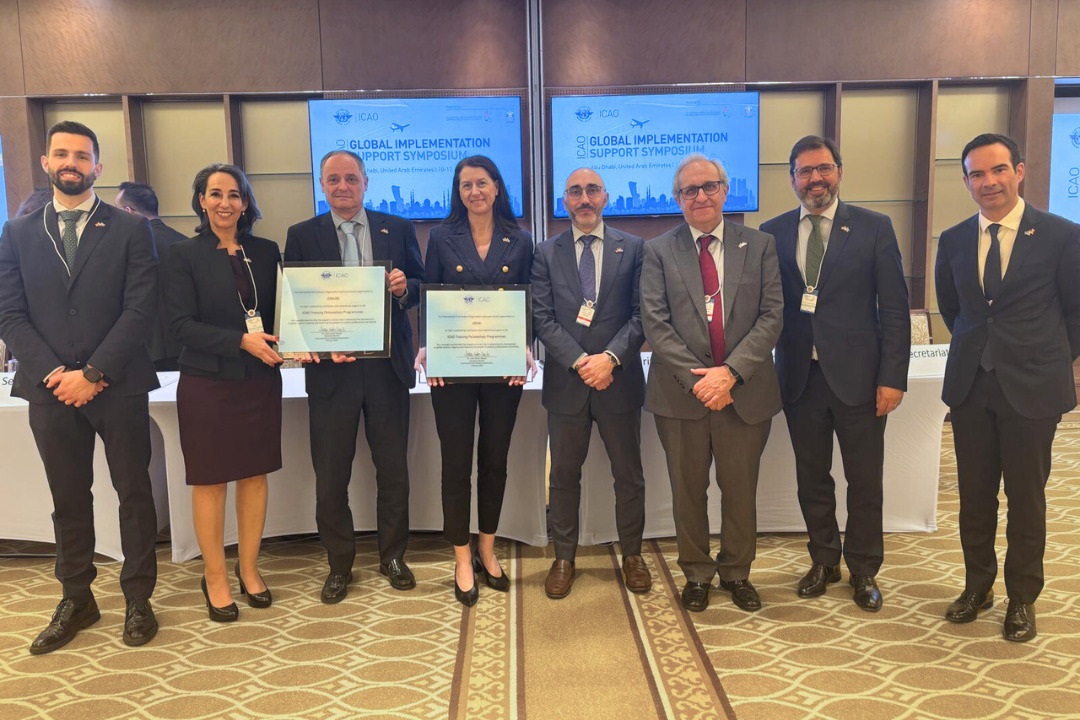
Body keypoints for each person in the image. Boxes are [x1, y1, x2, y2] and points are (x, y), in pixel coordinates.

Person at [0, 121, 160, 652]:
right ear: (46, 162)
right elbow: (10, 313)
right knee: (68, 497)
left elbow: (140, 309)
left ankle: (138, 597)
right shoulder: (18, 232)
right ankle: (77, 597)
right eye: (62, 154)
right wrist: (54, 373)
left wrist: (93, 373)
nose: (72, 162)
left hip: (118, 383)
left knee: (134, 492)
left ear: (98, 166)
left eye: (82, 155)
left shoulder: (130, 229)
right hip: (49, 389)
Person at [936, 133, 1080, 642]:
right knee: (974, 498)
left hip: (1033, 388)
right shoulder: (954, 239)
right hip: (972, 387)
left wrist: (1046, 357)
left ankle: (1022, 598)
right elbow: (954, 308)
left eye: (998, 170)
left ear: (1019, 171)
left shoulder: (1062, 235)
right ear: (966, 182)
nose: (988, 182)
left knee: (1026, 498)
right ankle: (978, 587)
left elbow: (1075, 312)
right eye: (977, 174)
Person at [760, 136, 910, 612]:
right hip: (800, 378)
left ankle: (864, 568)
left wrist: (893, 376)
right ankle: (824, 559)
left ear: (839, 172)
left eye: (823, 168)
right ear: (792, 179)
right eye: (804, 171)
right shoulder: (772, 233)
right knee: (812, 477)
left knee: (864, 479)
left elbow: (895, 309)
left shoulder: (873, 227)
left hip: (861, 380)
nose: (815, 179)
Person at [640, 154, 783, 613]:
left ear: (725, 190)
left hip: (744, 392)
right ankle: (697, 573)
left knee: (740, 489)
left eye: (708, 187)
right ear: (677, 199)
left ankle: (737, 571)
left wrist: (730, 374)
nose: (700, 196)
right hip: (680, 394)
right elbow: (656, 323)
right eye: (689, 190)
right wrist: (700, 381)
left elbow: (771, 316)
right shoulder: (658, 251)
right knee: (688, 491)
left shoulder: (759, 245)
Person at [284, 150, 423, 602]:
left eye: (350, 178)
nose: (342, 186)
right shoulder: (301, 235)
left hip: (386, 369)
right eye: (333, 179)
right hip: (332, 372)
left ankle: (393, 556)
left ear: (366, 182)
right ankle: (339, 564)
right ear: (322, 185)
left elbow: (420, 287)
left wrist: (403, 290)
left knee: (393, 470)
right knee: (331, 476)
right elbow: (294, 301)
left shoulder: (397, 228)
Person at [161, 163, 282, 622]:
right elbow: (178, 327)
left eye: (234, 195)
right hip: (207, 383)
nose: (225, 203)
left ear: (245, 202)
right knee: (210, 480)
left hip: (258, 381)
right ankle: (214, 575)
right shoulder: (181, 255)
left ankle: (248, 568)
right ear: (201, 201)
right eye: (215, 194)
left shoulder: (266, 251)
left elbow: (284, 312)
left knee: (254, 476)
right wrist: (240, 341)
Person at [414, 155, 535, 606]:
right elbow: (430, 294)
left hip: (502, 365)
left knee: (495, 459)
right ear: (458, 191)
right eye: (466, 185)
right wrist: (426, 345)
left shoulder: (520, 240)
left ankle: (487, 546)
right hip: (453, 364)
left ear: (497, 187)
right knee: (456, 461)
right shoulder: (441, 237)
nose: (474, 192)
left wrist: (526, 346)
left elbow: (529, 300)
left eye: (482, 183)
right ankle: (461, 556)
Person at [531, 168, 649, 599]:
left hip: (619, 381)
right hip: (567, 383)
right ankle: (564, 558)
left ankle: (632, 555)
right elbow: (541, 317)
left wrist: (610, 359)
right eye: (576, 192)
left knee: (628, 476)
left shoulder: (633, 248)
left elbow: (642, 314)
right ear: (565, 201)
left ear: (606, 197)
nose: (585, 199)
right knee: (563, 476)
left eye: (592, 190)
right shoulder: (546, 252)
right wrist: (582, 362)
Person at [117, 181, 186, 371]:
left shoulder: (126, 246)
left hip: (143, 345)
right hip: (184, 343)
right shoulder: (183, 242)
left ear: (128, 211)